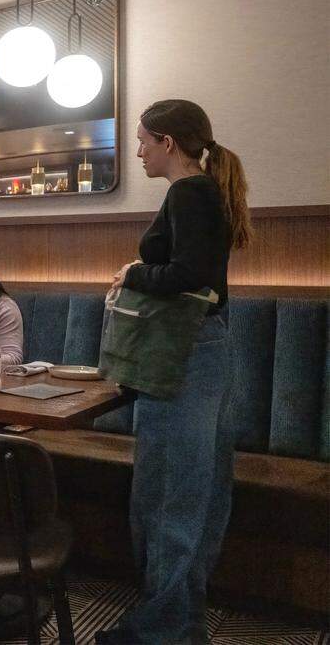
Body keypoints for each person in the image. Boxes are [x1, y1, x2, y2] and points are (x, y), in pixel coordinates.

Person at [96, 100, 250, 645]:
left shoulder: (188, 192)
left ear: (168, 142)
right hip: (208, 346)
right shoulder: (207, 190)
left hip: (184, 353)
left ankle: (161, 631)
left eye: (142, 140)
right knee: (198, 493)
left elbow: (191, 275)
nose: (137, 151)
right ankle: (179, 624)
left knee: (167, 495)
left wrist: (135, 272)